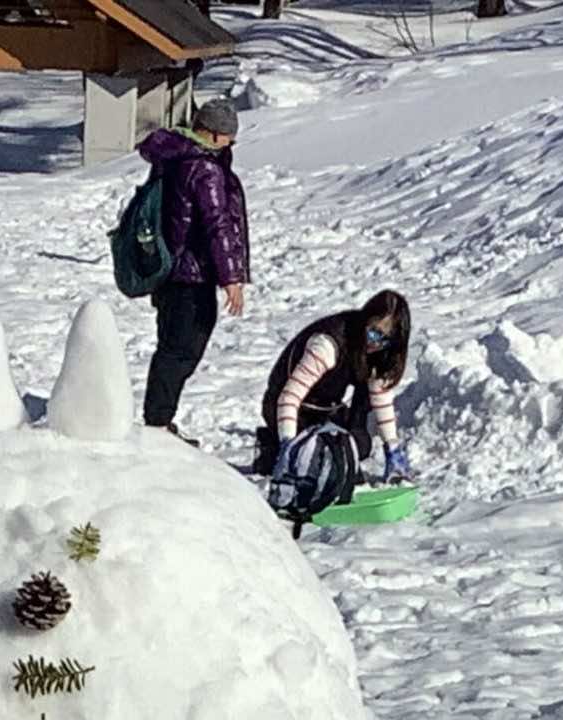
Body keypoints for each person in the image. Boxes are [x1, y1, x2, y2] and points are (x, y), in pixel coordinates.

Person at [137, 99, 251, 443]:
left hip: (169, 271)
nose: (231, 144)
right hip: (191, 274)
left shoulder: (173, 157)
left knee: (173, 345)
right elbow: (217, 224)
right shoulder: (204, 169)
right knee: (181, 349)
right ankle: (157, 424)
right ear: (215, 135)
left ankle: (159, 420)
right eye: (229, 137)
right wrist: (232, 277)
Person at [256, 290, 412, 481]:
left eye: (386, 339)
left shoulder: (379, 353)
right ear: (365, 322)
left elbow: (380, 397)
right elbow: (288, 397)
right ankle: (273, 447)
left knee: (358, 445)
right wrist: (289, 445)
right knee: (313, 458)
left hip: (324, 407)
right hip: (285, 406)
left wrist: (392, 447)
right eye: (374, 333)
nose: (376, 343)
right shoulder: (327, 345)